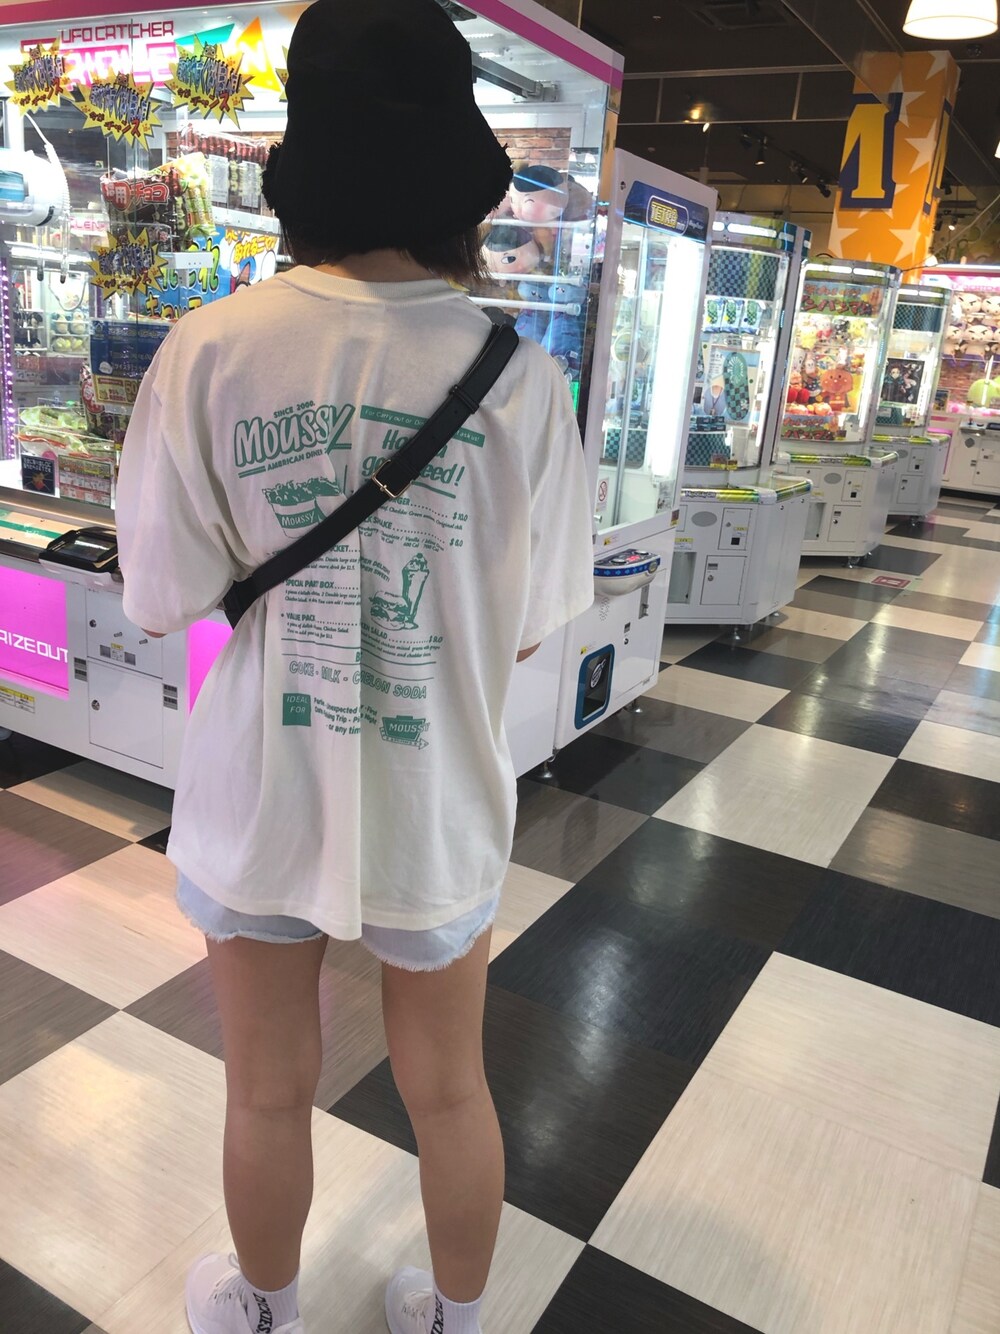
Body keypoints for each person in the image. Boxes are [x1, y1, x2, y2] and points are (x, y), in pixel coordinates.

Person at [114, 2, 594, 1332]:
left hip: (263, 784)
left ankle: (263, 1308)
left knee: (266, 1087)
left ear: (302, 162)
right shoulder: (520, 377)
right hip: (437, 791)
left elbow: (160, 594)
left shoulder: (210, 348)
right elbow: (532, 624)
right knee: (452, 1088)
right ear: (460, 170)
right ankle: (452, 1317)